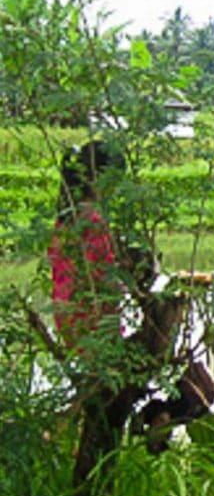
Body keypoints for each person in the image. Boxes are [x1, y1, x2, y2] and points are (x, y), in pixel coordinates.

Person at [48, 140, 122, 353]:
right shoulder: (93, 221)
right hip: (93, 322)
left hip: (66, 319)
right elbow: (102, 277)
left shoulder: (64, 218)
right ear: (101, 177)